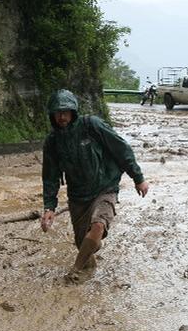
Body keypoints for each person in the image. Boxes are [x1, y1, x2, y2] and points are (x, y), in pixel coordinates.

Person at [41, 89, 149, 280]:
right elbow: (50, 176)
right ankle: (89, 264)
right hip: (78, 197)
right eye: (57, 113)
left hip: (104, 187)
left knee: (98, 225)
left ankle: (74, 271)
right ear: (52, 115)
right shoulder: (52, 142)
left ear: (74, 112)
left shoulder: (92, 126)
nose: (62, 117)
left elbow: (121, 148)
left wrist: (137, 177)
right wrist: (49, 207)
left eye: (65, 112)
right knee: (85, 243)